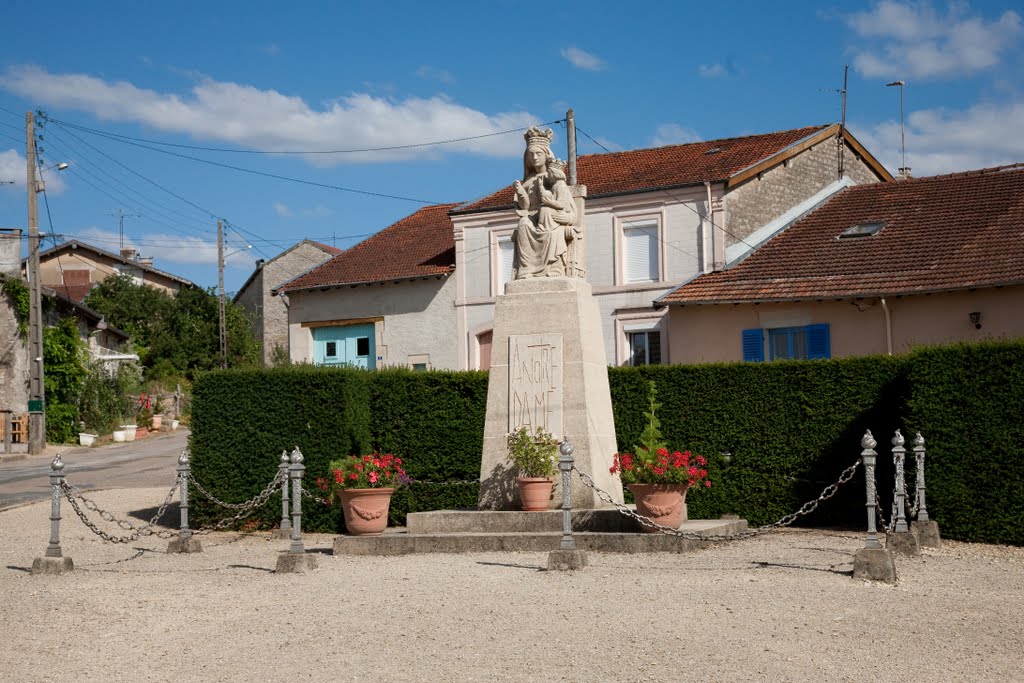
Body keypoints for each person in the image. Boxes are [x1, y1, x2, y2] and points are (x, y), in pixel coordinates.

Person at [511, 127, 575, 278]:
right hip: (534, 220)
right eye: (531, 154)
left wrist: (567, 218)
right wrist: (520, 192)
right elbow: (525, 208)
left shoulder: (555, 179)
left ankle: (553, 268)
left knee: (550, 224)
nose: (534, 157)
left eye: (538, 153)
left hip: (550, 221)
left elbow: (570, 210)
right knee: (523, 224)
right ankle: (526, 269)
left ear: (546, 155)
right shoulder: (528, 181)